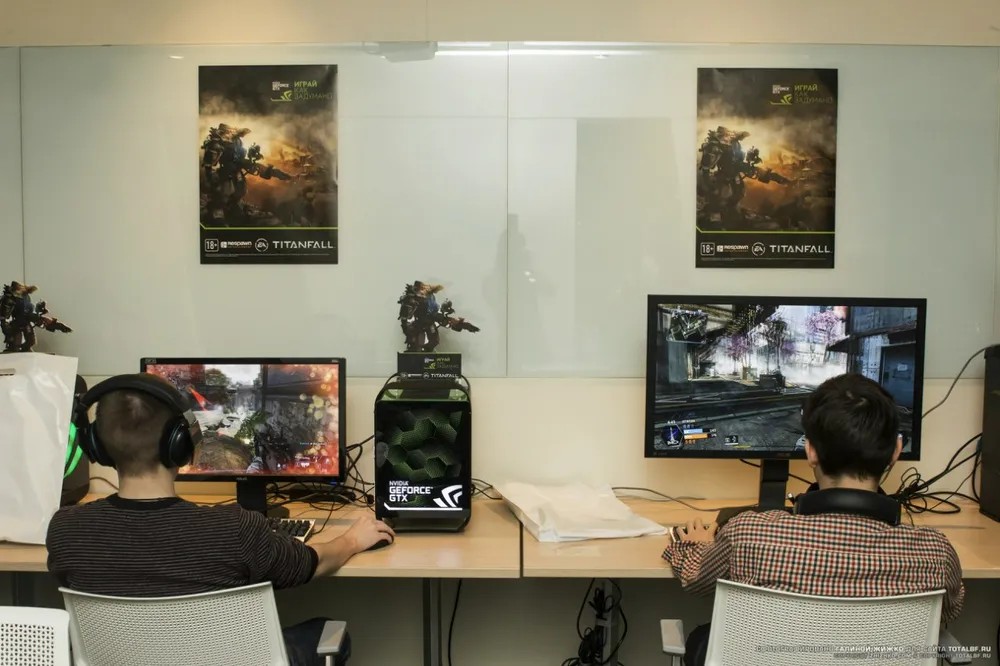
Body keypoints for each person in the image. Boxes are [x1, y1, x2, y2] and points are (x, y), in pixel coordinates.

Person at [46, 375, 394, 666]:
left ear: (96, 445)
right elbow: (311, 564)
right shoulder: (236, 529)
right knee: (327, 631)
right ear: (182, 442)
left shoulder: (65, 531)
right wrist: (351, 540)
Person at [662, 373, 964, 666]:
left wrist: (694, 545)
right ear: (896, 451)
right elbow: (950, 609)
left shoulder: (748, 533)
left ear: (810, 451)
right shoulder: (935, 552)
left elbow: (696, 580)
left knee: (703, 638)